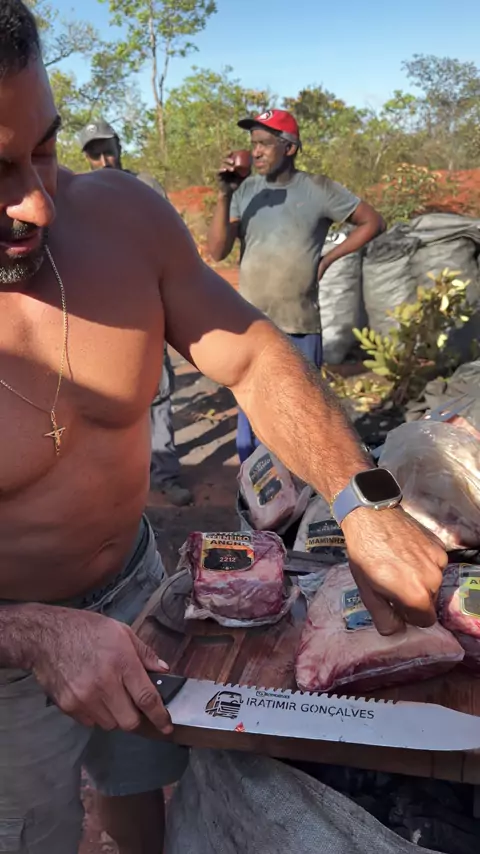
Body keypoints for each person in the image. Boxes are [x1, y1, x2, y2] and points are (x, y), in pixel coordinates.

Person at [0, 4, 447, 854]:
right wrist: (29, 630)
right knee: (30, 831)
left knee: (140, 777)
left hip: (138, 591)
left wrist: (363, 499)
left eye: (44, 150)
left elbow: (251, 357)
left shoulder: (122, 218)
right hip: (8, 660)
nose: (39, 204)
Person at [208, 109, 385, 463]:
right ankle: (253, 494)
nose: (256, 152)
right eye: (253, 144)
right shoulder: (246, 191)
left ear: (289, 148)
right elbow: (216, 251)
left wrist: (328, 259)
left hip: (299, 326)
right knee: (252, 424)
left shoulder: (318, 189)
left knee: (302, 422)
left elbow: (372, 222)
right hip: (251, 326)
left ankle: (301, 492)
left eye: (264, 144)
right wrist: (224, 195)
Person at [80, 118, 192, 506]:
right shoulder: (77, 194)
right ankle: (115, 479)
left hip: (146, 305)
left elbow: (171, 240)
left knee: (157, 390)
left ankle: (165, 474)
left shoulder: (145, 186)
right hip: (102, 314)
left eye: (108, 149)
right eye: (95, 154)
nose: (104, 159)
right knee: (107, 397)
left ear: (119, 146)